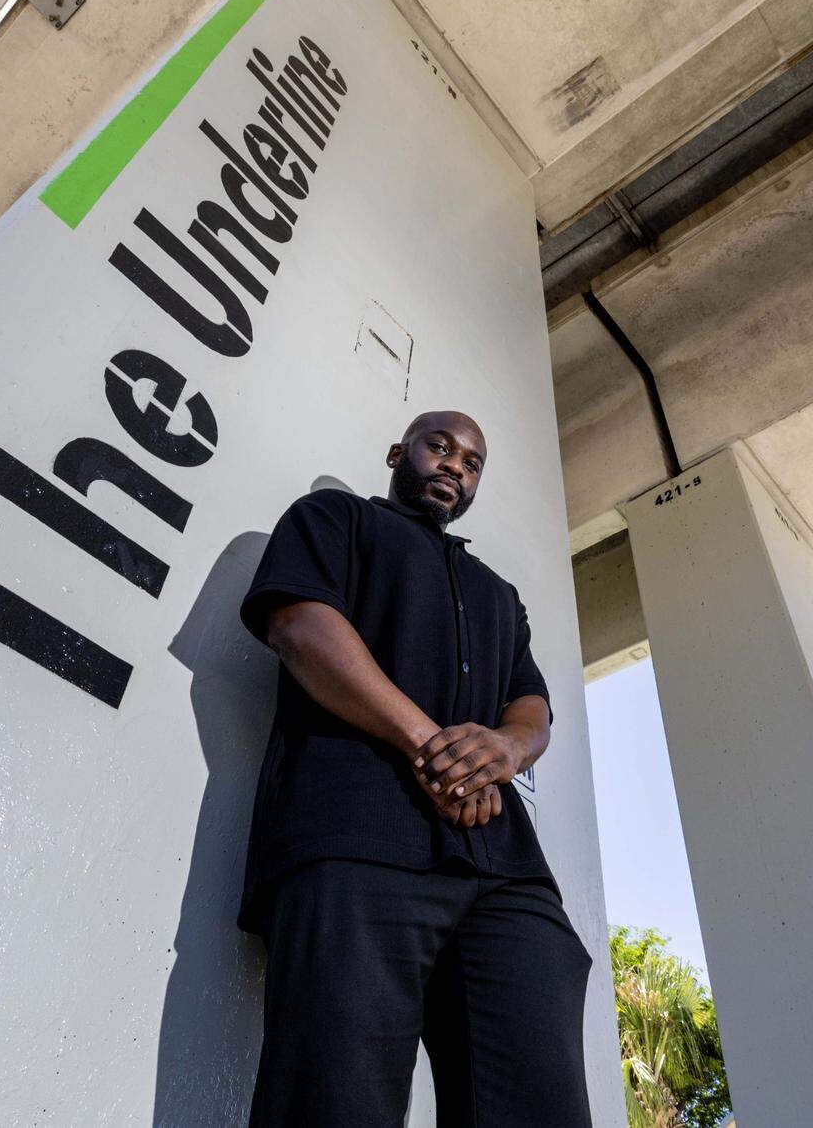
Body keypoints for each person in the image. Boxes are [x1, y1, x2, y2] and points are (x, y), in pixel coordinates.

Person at [237, 410, 594, 1126]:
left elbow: (531, 705)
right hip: (356, 838)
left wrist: (507, 751)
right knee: (334, 1096)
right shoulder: (333, 518)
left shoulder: (499, 595)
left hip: (502, 866)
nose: (455, 466)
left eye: (472, 462)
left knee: (537, 1100)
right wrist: (432, 746)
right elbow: (299, 625)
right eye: (441, 448)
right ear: (401, 452)